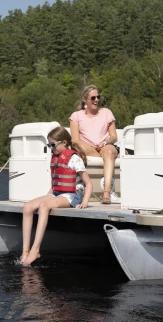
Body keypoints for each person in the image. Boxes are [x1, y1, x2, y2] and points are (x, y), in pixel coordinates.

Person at [21, 126, 92, 266]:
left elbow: (88, 184)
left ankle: (36, 250)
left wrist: (84, 202)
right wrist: (49, 194)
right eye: (49, 145)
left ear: (64, 142)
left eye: (53, 144)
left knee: (44, 206)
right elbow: (56, 181)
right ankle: (25, 251)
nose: (51, 148)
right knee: (27, 207)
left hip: (73, 195)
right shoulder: (55, 157)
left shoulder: (74, 158)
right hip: (57, 193)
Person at [69, 85, 118, 204]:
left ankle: (106, 192)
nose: (96, 100)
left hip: (105, 146)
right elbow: (75, 140)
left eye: (98, 97)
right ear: (84, 99)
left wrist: (105, 143)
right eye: (93, 98)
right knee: (77, 145)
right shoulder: (76, 116)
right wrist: (90, 148)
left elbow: (114, 137)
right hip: (86, 148)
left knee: (109, 151)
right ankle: (109, 159)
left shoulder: (106, 112)